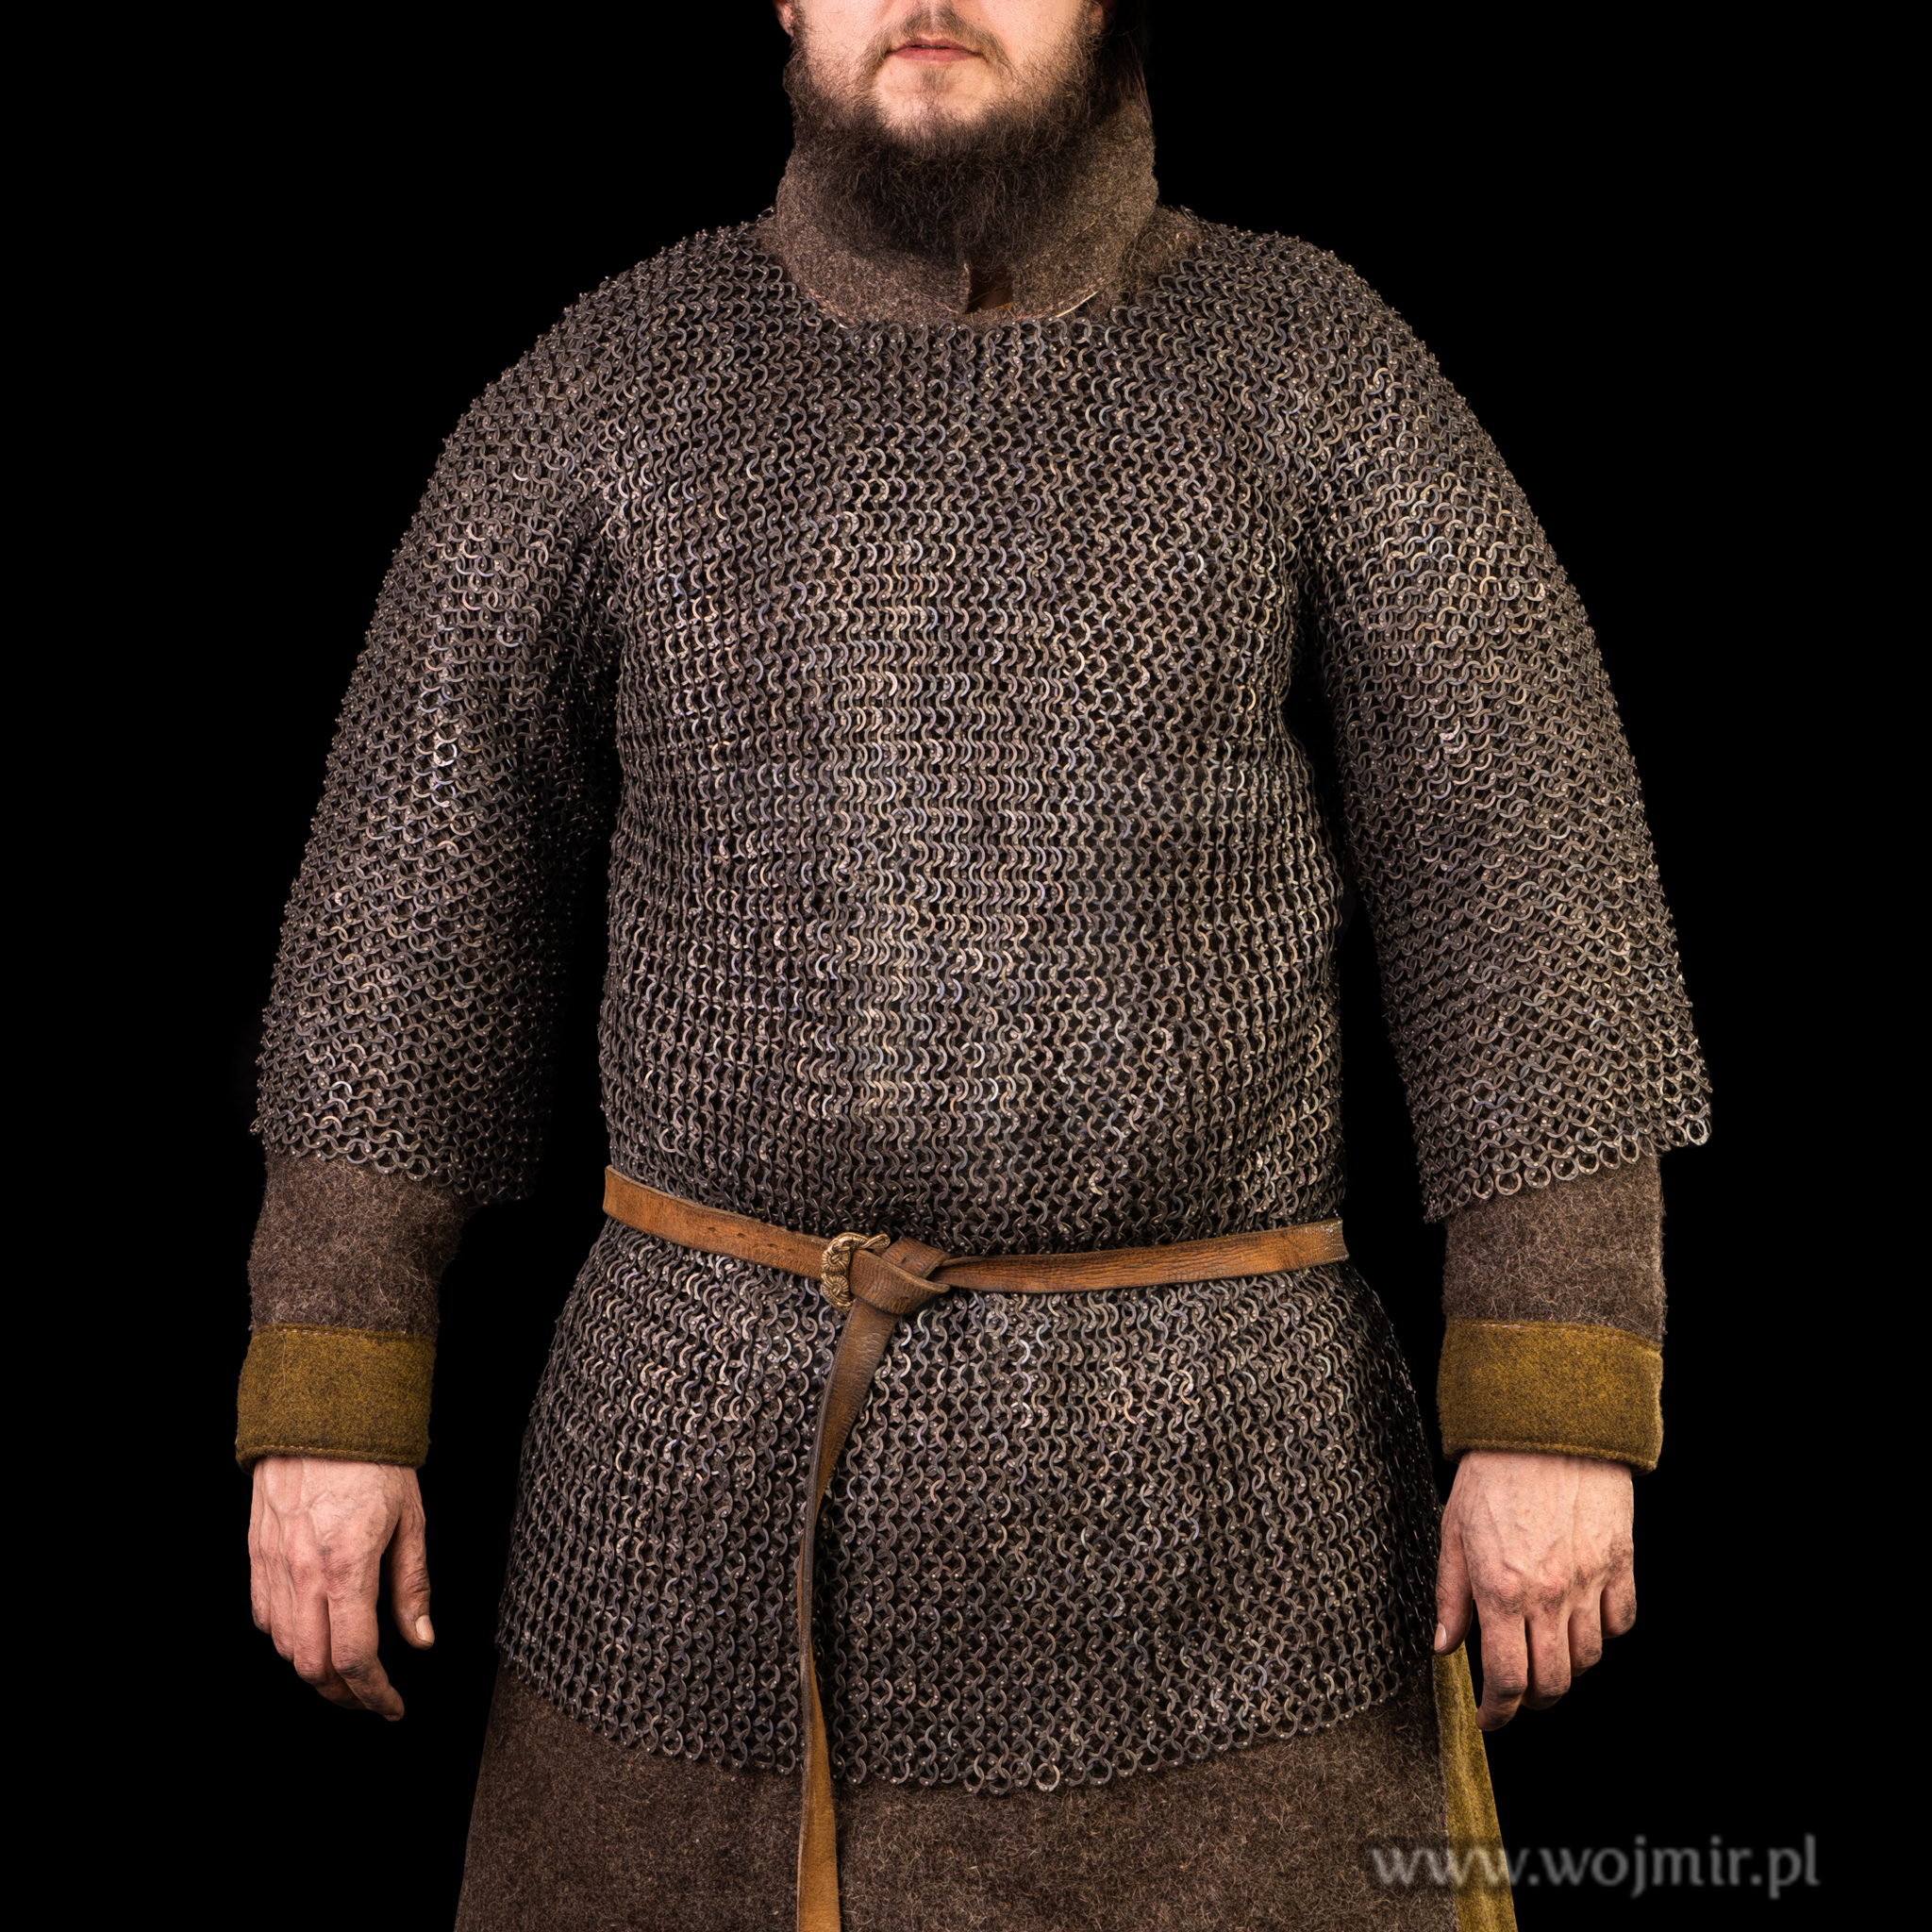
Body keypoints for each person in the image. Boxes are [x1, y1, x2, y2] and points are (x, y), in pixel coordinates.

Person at [239, 5, 1708, 1926]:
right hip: (693, 1487)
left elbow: (1527, 895)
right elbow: (405, 931)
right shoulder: (614, 388)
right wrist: (333, 1402)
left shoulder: (1308, 367)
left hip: (1222, 1501)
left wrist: (1553, 1404)